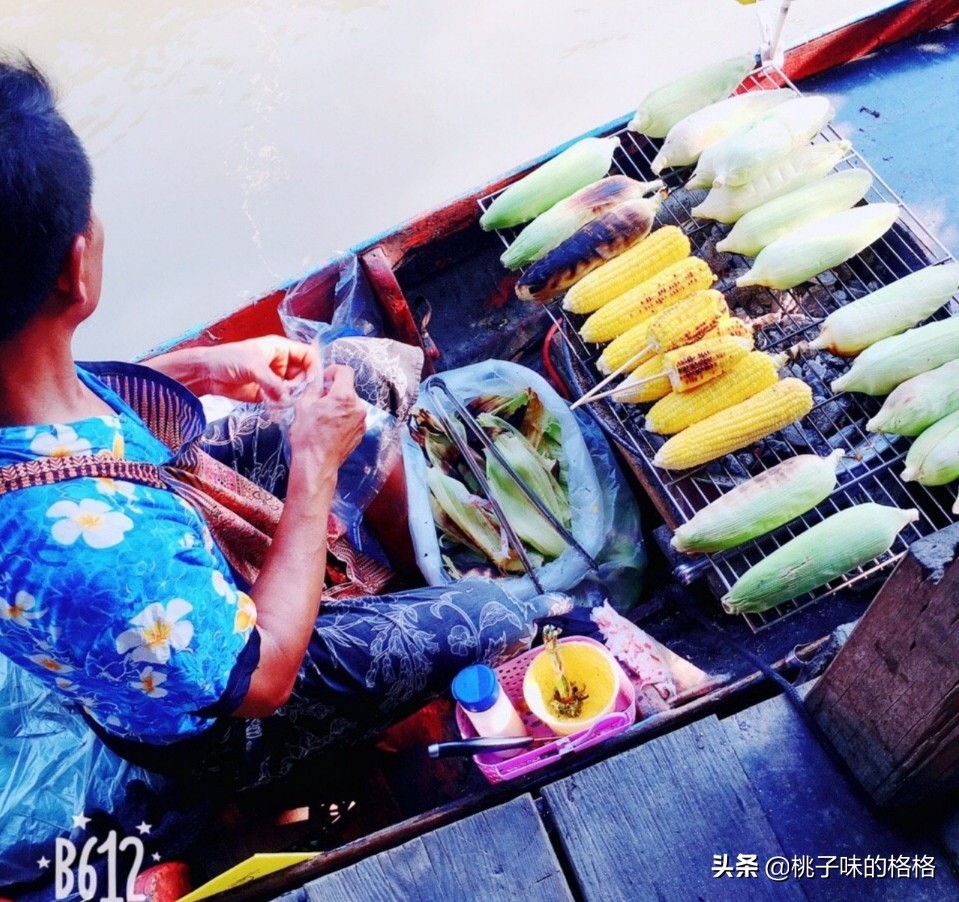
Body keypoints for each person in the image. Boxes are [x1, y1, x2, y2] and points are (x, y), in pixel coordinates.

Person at [0, 53, 561, 790]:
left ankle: (399, 582)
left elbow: (75, 411)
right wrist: (314, 469)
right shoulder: (101, 559)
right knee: (495, 614)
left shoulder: (19, 372)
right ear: (75, 268)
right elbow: (261, 680)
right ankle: (388, 662)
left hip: (146, 536)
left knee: (360, 372)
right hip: (224, 716)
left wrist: (204, 367)